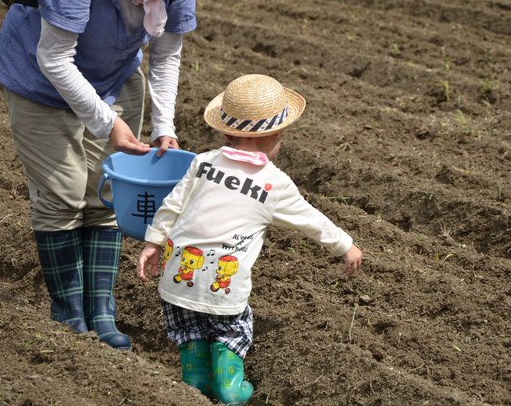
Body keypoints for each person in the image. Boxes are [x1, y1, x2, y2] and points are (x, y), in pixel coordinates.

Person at [136, 74, 363, 404]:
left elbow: (171, 205)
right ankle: (233, 394)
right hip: (224, 294)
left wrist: (152, 243)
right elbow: (310, 220)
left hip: (176, 284)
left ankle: (195, 393)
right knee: (229, 384)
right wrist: (346, 245)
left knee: (195, 377)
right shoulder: (273, 183)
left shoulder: (203, 163)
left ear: (227, 131)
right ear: (277, 135)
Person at [0, 0, 197, 350]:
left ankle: (101, 312)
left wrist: (164, 126)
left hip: (113, 78)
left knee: (108, 193)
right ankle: (68, 314)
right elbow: (54, 58)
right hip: (40, 79)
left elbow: (165, 55)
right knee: (62, 196)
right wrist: (107, 122)